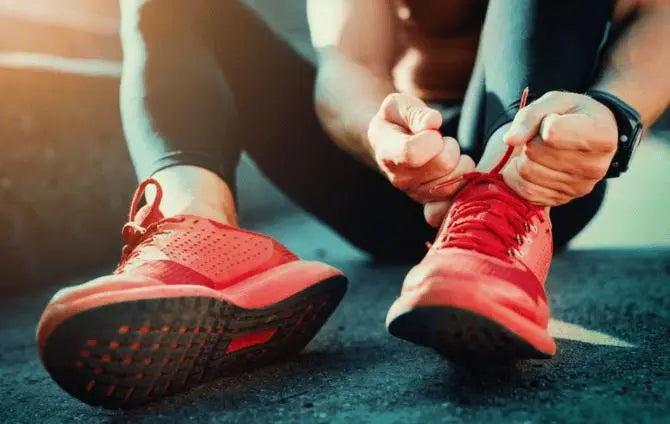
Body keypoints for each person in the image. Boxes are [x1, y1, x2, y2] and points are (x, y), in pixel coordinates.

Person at [36, 0, 670, 408]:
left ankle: (495, 229)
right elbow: (346, 65)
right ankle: (196, 233)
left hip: (544, 170)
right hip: (394, 173)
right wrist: (381, 134)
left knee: (522, 156)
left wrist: (616, 113)